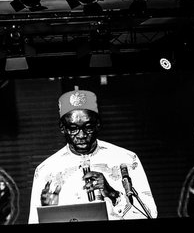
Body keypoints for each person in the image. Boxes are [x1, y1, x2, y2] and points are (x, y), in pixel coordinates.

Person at [29, 89, 157, 223]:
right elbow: (33, 225)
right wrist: (48, 212)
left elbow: (150, 216)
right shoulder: (46, 170)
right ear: (62, 128)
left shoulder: (127, 159)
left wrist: (113, 195)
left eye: (88, 127)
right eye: (73, 128)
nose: (81, 135)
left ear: (98, 125)